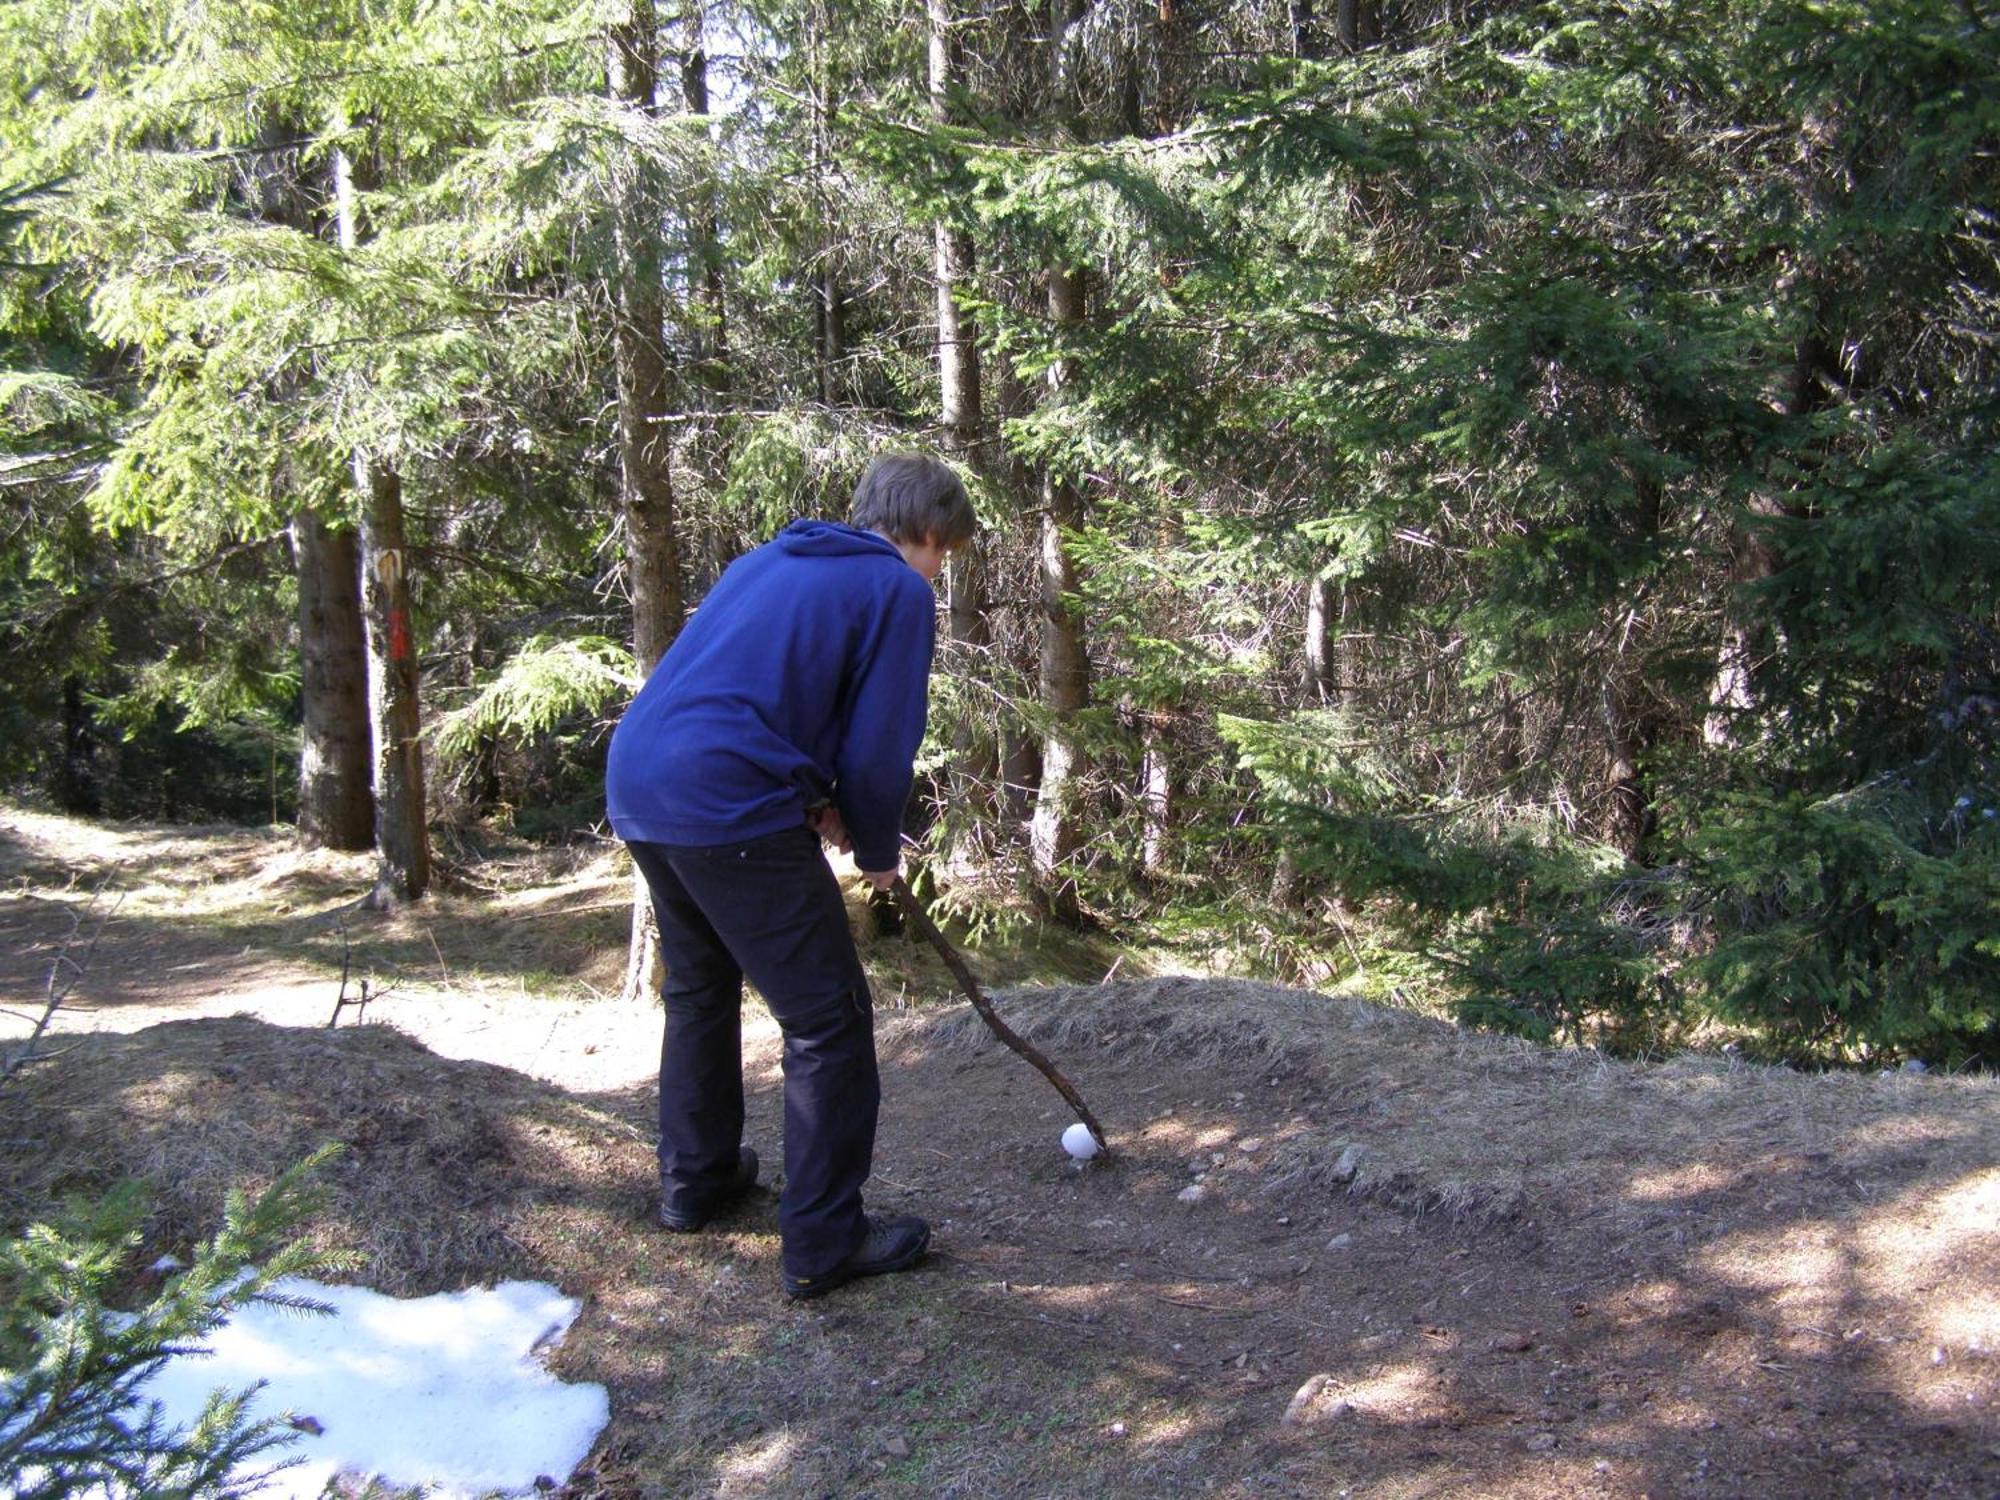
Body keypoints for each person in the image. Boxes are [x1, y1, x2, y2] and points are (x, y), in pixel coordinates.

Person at [605, 453, 976, 1299]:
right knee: (828, 1020)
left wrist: (809, 793)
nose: (940, 567)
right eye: (944, 550)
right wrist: (878, 844)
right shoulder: (895, 589)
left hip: (641, 780)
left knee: (700, 988)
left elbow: (750, 691)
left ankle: (696, 1181)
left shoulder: (767, 561)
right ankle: (822, 1239)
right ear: (924, 530)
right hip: (725, 797)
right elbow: (881, 741)